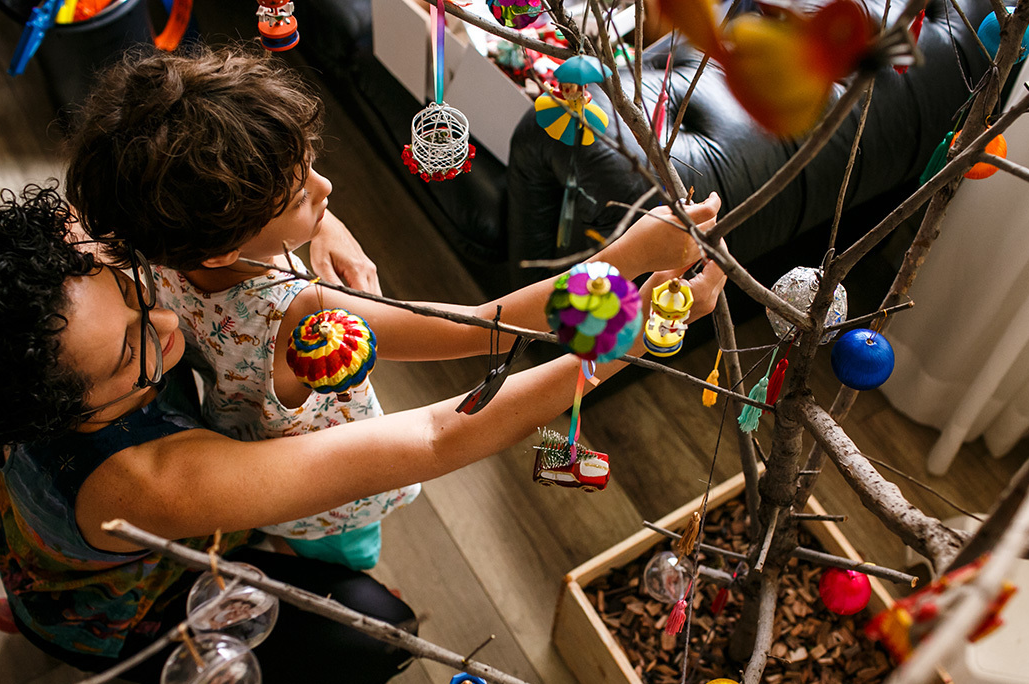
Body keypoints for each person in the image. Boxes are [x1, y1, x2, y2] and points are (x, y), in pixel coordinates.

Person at [0, 184, 724, 684]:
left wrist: (326, 226)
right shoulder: (146, 484)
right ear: (56, 410)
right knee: (381, 634)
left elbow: (250, 196)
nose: (163, 321)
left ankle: (35, 605)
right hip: (109, 599)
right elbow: (429, 436)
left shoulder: (65, 276)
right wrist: (638, 330)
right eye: (128, 353)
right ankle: (61, 637)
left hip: (46, 534)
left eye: (126, 282)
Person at [64, 44, 723, 569]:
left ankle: (285, 541)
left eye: (309, 165)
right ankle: (326, 563)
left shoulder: (147, 243)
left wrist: (317, 223)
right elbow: (485, 329)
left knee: (288, 524)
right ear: (221, 244)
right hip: (327, 494)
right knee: (349, 554)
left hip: (239, 428)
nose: (327, 187)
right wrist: (629, 257)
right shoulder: (296, 311)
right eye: (300, 195)